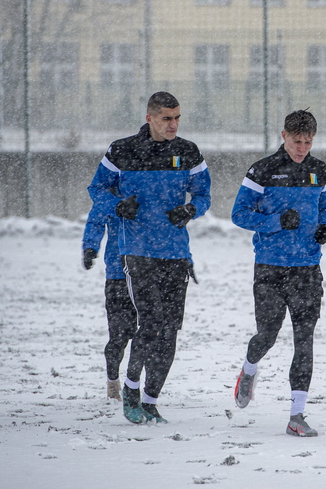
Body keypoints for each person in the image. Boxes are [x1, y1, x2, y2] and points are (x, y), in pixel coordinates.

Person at [87, 92, 211, 424]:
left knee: (170, 331)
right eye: (167, 118)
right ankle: (130, 389)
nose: (173, 124)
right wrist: (117, 206)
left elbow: (203, 193)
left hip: (174, 252)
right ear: (150, 118)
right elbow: (97, 189)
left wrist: (191, 209)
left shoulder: (188, 152)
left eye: (177, 118)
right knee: (151, 323)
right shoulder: (122, 150)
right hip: (136, 251)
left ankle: (152, 401)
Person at [231, 110, 326, 438]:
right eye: (296, 141)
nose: (302, 148)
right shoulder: (263, 170)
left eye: (307, 142)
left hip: (307, 269)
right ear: (283, 135)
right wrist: (274, 222)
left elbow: (324, 205)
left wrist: (323, 228)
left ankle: (296, 415)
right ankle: (249, 367)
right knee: (267, 336)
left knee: (305, 340)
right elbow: (239, 214)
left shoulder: (320, 170)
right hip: (271, 270)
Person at [82, 190, 137, 401]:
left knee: (148, 333)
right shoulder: (109, 193)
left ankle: (136, 384)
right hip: (117, 274)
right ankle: (113, 381)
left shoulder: (148, 186)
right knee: (119, 335)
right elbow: (95, 221)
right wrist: (90, 247)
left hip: (146, 273)